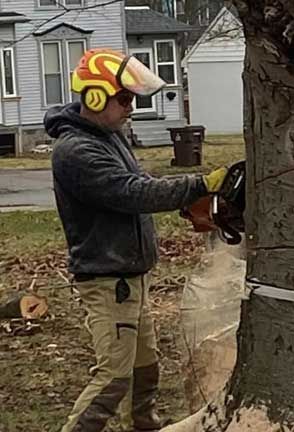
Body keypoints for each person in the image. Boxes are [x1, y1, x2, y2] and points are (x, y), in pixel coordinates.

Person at [45, 48, 227, 432]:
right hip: (109, 281)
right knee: (112, 378)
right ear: (94, 97)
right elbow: (131, 192)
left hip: (131, 276)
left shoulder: (107, 136)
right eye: (124, 99)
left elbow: (135, 190)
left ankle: (144, 426)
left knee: (145, 369)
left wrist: (188, 206)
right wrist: (199, 184)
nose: (131, 108)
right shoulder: (76, 150)